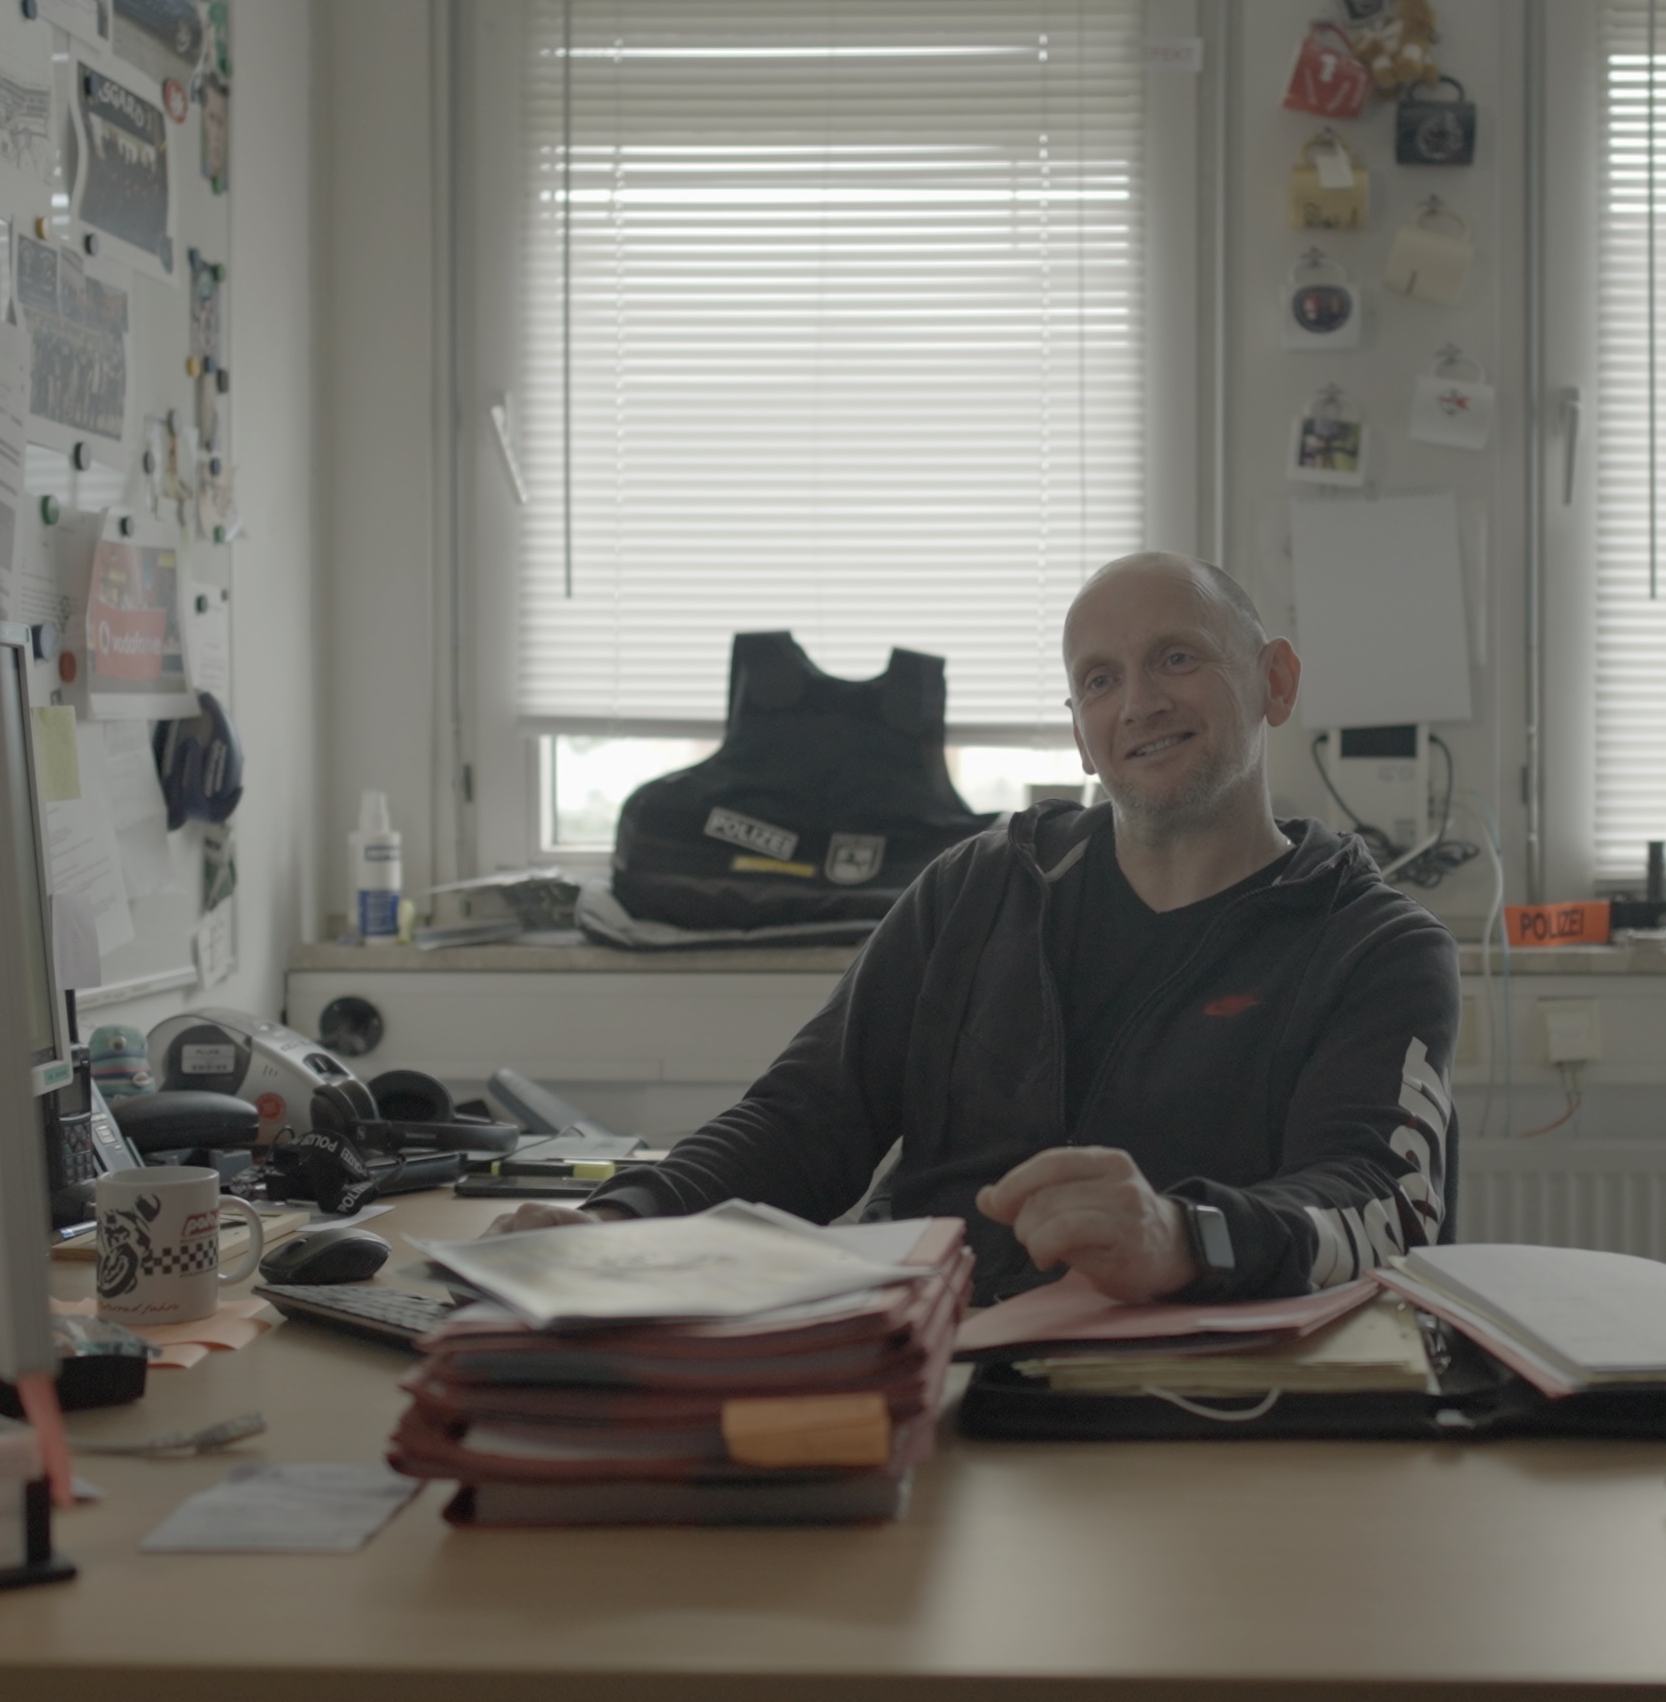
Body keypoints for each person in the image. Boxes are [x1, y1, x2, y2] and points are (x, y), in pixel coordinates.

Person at [497, 552, 1459, 1305]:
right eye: (1099, 680)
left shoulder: (1375, 947)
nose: (1140, 704)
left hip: (1182, 1392)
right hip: (925, 1355)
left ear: (1275, 681)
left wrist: (1183, 1238)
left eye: (1177, 658)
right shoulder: (982, 885)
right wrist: (619, 1219)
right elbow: (804, 1120)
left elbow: (1379, 1202)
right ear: (1080, 735)